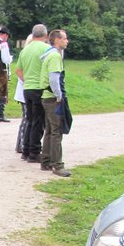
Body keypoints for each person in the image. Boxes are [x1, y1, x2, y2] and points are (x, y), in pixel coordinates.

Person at [15, 24, 49, 162]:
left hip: (27, 88)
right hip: (39, 88)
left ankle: (26, 149)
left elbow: (18, 70)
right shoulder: (47, 49)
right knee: (38, 121)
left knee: (29, 119)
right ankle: (34, 151)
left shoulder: (25, 50)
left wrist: (26, 79)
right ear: (45, 36)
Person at [40, 29, 71, 177]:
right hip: (52, 98)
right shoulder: (54, 56)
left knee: (49, 130)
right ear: (57, 40)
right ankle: (57, 165)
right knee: (57, 131)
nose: (67, 41)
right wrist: (59, 96)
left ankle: (45, 161)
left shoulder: (49, 54)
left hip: (46, 96)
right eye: (65, 38)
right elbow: (54, 79)